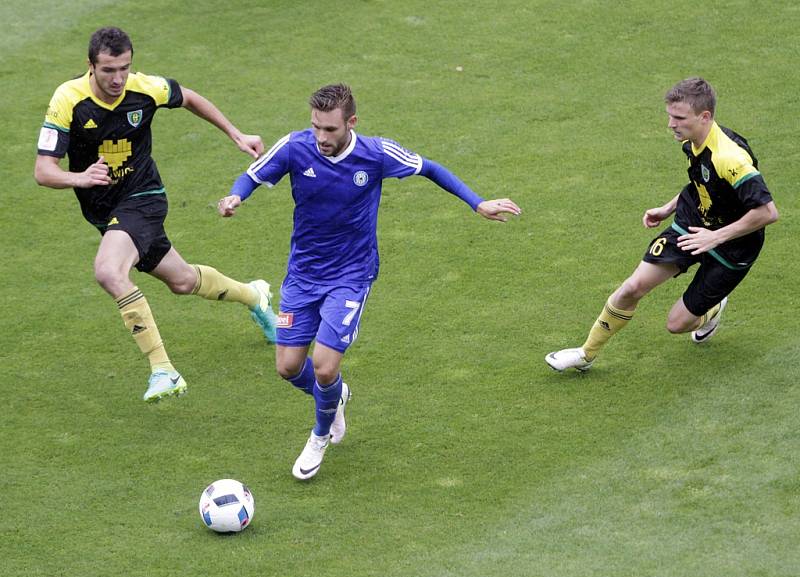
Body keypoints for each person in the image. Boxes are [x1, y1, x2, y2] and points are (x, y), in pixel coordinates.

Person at [218, 83, 521, 480]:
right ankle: (334, 398)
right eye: (315, 128)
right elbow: (253, 175)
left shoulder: (376, 153)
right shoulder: (295, 146)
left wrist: (476, 202)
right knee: (289, 367)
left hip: (351, 273)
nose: (321, 137)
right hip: (303, 273)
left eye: (329, 129)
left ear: (351, 123)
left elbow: (429, 168)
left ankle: (319, 434)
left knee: (324, 368)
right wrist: (235, 197)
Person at [34, 27, 278, 402]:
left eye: (125, 68)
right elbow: (43, 171)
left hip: (143, 198)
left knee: (109, 271)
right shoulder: (68, 99)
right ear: (90, 66)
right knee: (181, 281)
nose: (118, 79)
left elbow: (189, 97)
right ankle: (254, 296)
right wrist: (79, 178)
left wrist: (235, 134)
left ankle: (163, 369)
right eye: (108, 70)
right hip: (104, 210)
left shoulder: (145, 87)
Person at [546, 77, 778, 373]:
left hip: (734, 245)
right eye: (670, 116)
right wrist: (668, 208)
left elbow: (767, 212)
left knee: (676, 324)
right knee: (632, 287)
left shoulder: (730, 158)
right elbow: (703, 181)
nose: (671, 124)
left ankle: (714, 307)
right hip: (695, 222)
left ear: (704, 117)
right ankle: (585, 353)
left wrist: (715, 238)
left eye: (679, 118)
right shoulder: (693, 140)